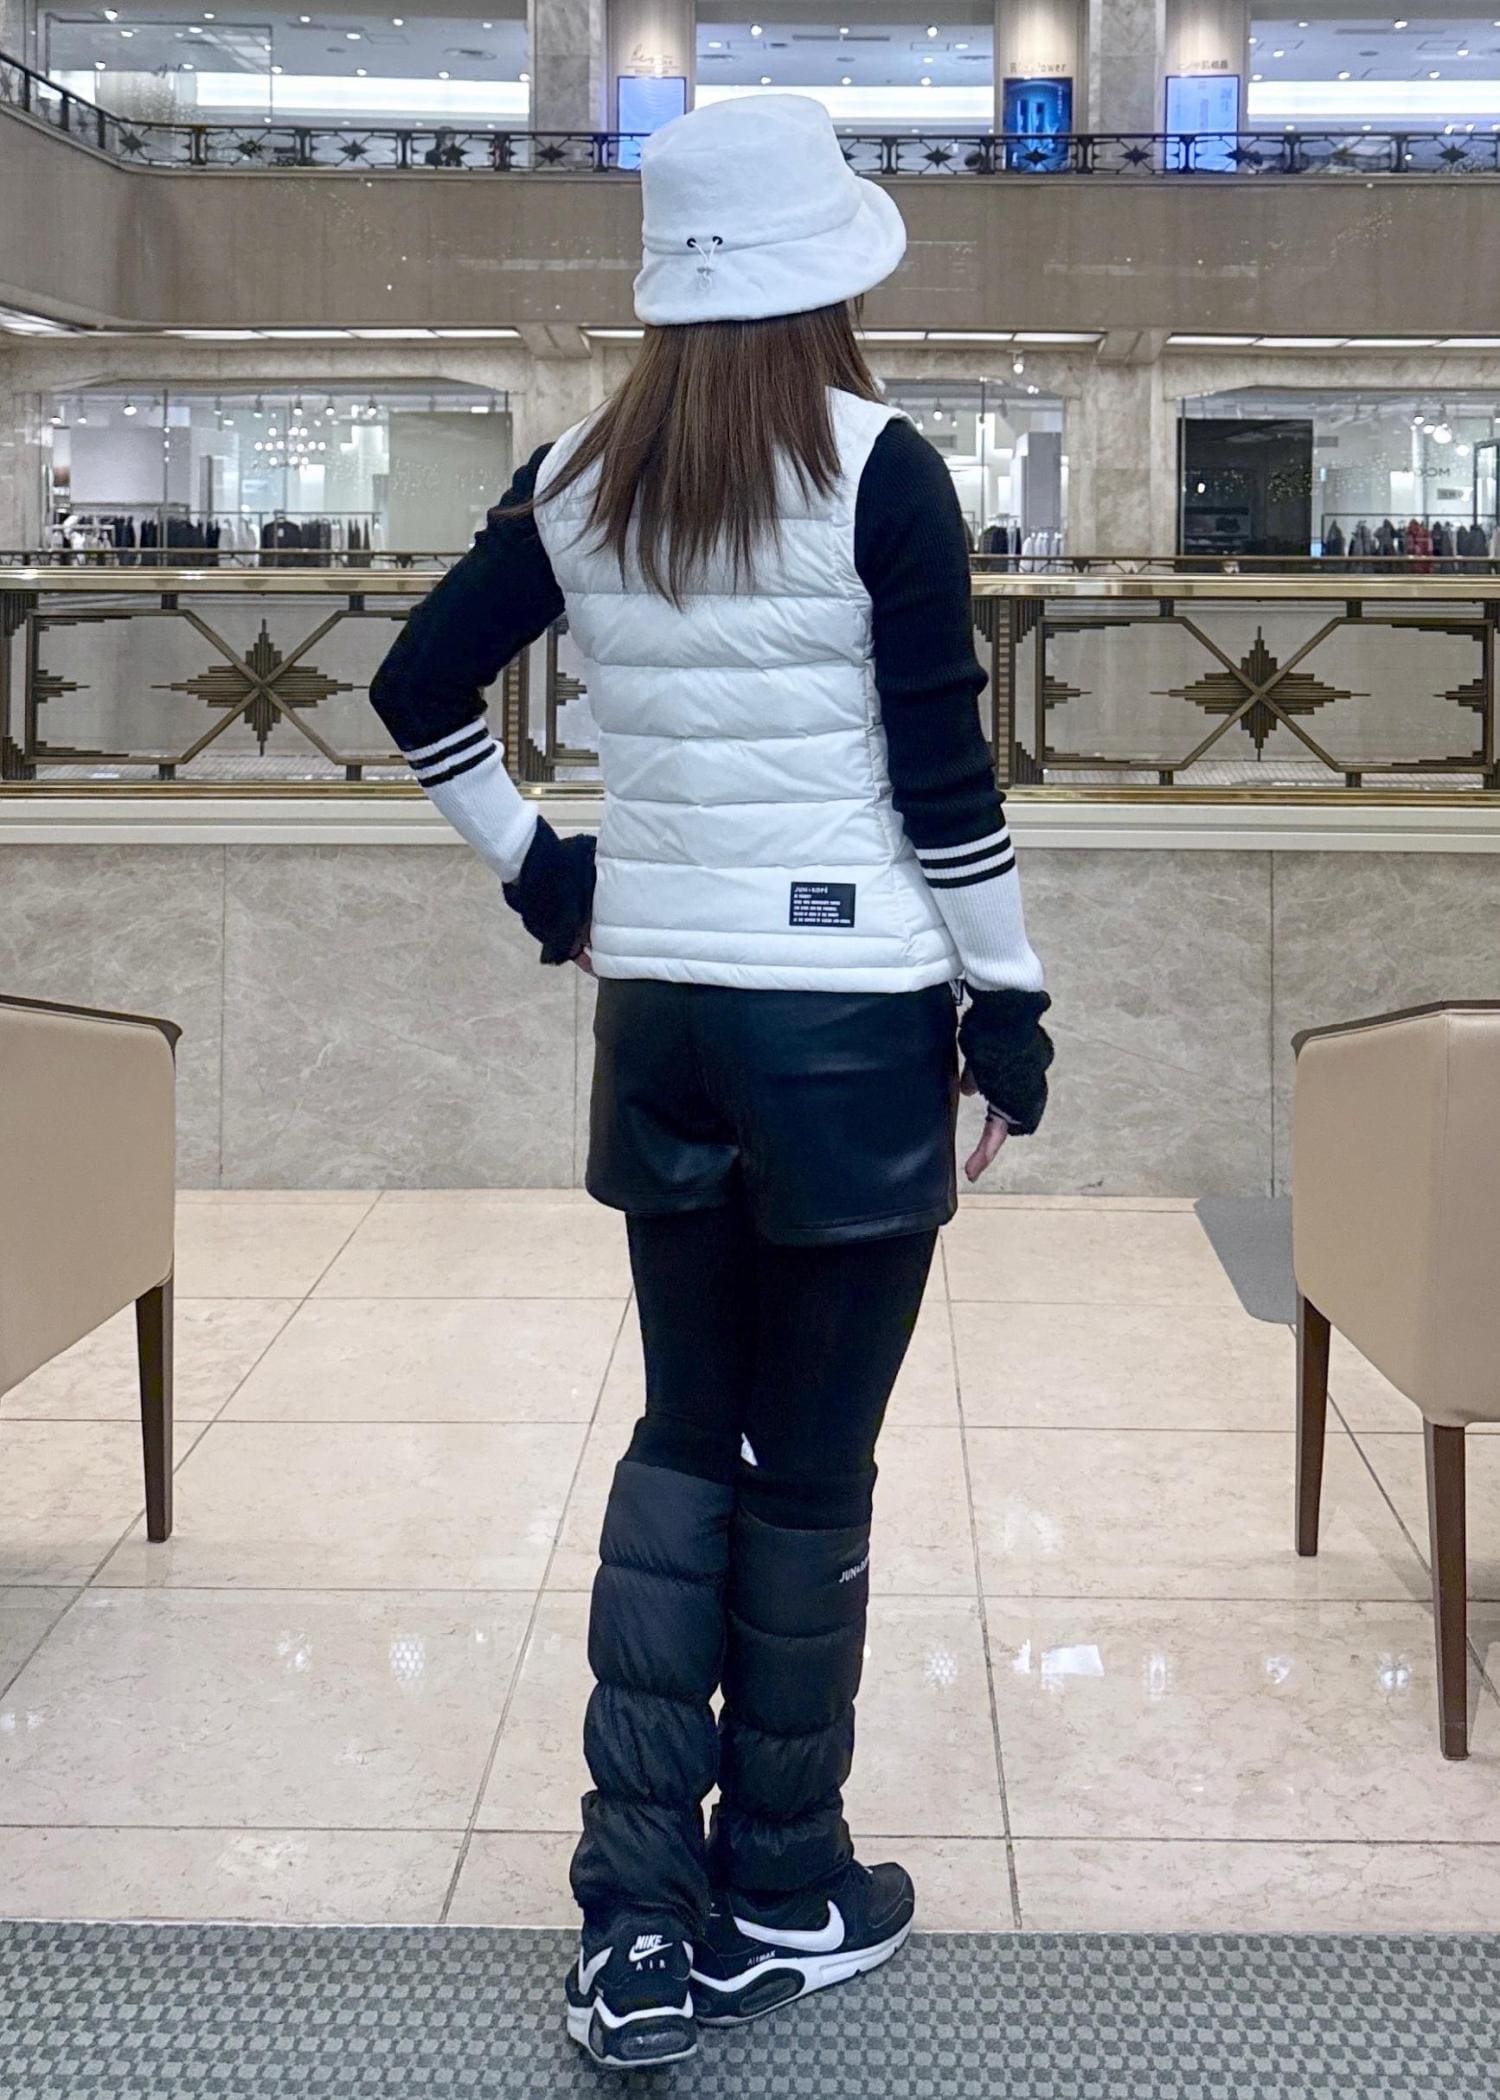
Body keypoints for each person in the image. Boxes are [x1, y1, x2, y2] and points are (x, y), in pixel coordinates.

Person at [369, 92, 1053, 2073]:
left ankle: (635, 1924)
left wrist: (545, 875)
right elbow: (944, 781)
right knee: (810, 1468)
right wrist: (1008, 1011)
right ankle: (786, 1889)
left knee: (686, 1439)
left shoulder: (579, 473)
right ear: (831, 272)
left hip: (663, 1019)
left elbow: (415, 687)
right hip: (844, 1030)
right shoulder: (881, 471)